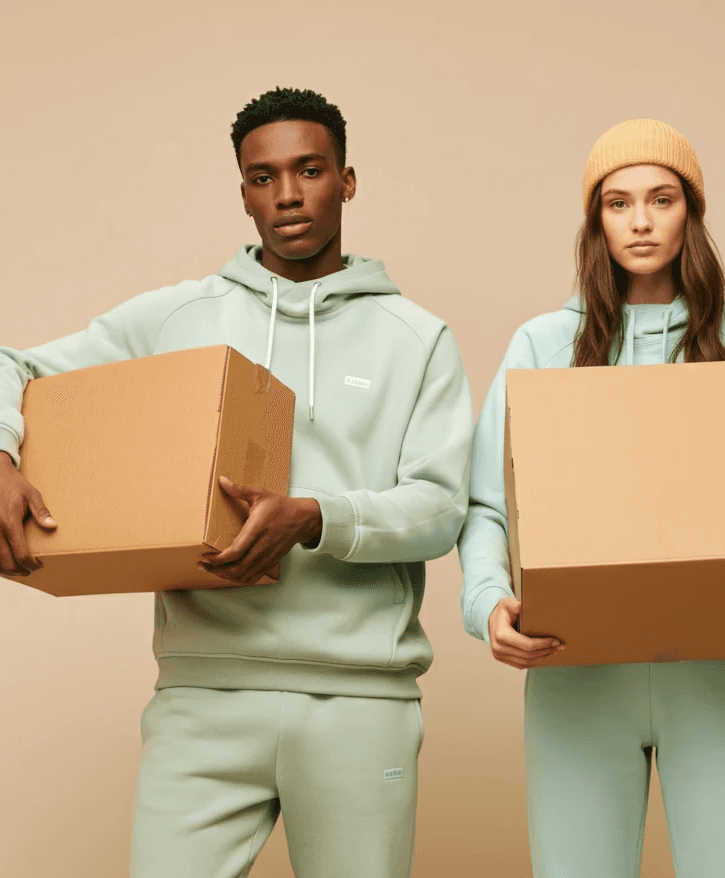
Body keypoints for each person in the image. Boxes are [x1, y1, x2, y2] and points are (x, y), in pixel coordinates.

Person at [0, 87, 473, 878]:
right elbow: (13, 364)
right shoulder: (177, 317)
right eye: (263, 178)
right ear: (244, 192)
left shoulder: (417, 339)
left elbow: (439, 509)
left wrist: (316, 516)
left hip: (361, 706)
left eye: (309, 170)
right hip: (201, 699)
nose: (287, 195)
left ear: (347, 181)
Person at [457, 118, 725, 878]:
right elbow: (487, 505)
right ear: (595, 221)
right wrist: (486, 602)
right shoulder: (542, 346)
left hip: (721, 673)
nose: (640, 222)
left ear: (691, 212)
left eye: (661, 199)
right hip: (573, 676)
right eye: (617, 203)